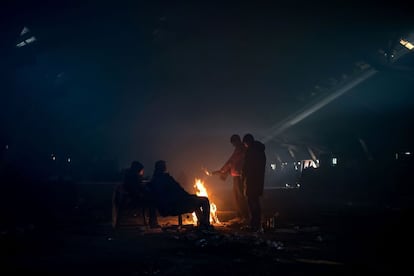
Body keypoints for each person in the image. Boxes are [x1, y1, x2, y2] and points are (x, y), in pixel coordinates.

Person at [148, 160, 213, 230]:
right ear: (163, 168)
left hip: (166, 207)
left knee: (196, 203)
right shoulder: (167, 179)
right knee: (204, 200)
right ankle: (205, 224)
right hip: (175, 206)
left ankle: (203, 224)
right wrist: (190, 196)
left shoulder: (154, 180)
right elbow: (179, 191)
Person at [213, 134, 249, 223]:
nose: (233, 145)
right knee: (236, 197)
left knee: (240, 197)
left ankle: (244, 217)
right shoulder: (238, 149)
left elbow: (232, 162)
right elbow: (231, 162)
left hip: (240, 176)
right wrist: (222, 171)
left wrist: (222, 171)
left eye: (234, 143)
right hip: (236, 176)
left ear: (237, 141)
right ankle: (240, 216)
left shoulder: (242, 149)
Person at [121, 161, 160, 228]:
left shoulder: (129, 177)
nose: (142, 172)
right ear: (138, 170)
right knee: (152, 202)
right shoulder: (135, 178)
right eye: (141, 170)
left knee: (152, 200)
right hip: (135, 200)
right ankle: (153, 223)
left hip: (132, 198)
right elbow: (140, 189)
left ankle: (152, 222)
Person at [242, 133, 266, 232]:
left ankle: (254, 224)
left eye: (245, 144)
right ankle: (257, 223)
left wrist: (244, 177)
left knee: (252, 202)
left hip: (252, 181)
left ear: (247, 142)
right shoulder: (260, 151)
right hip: (259, 180)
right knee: (255, 201)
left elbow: (247, 167)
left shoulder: (251, 151)